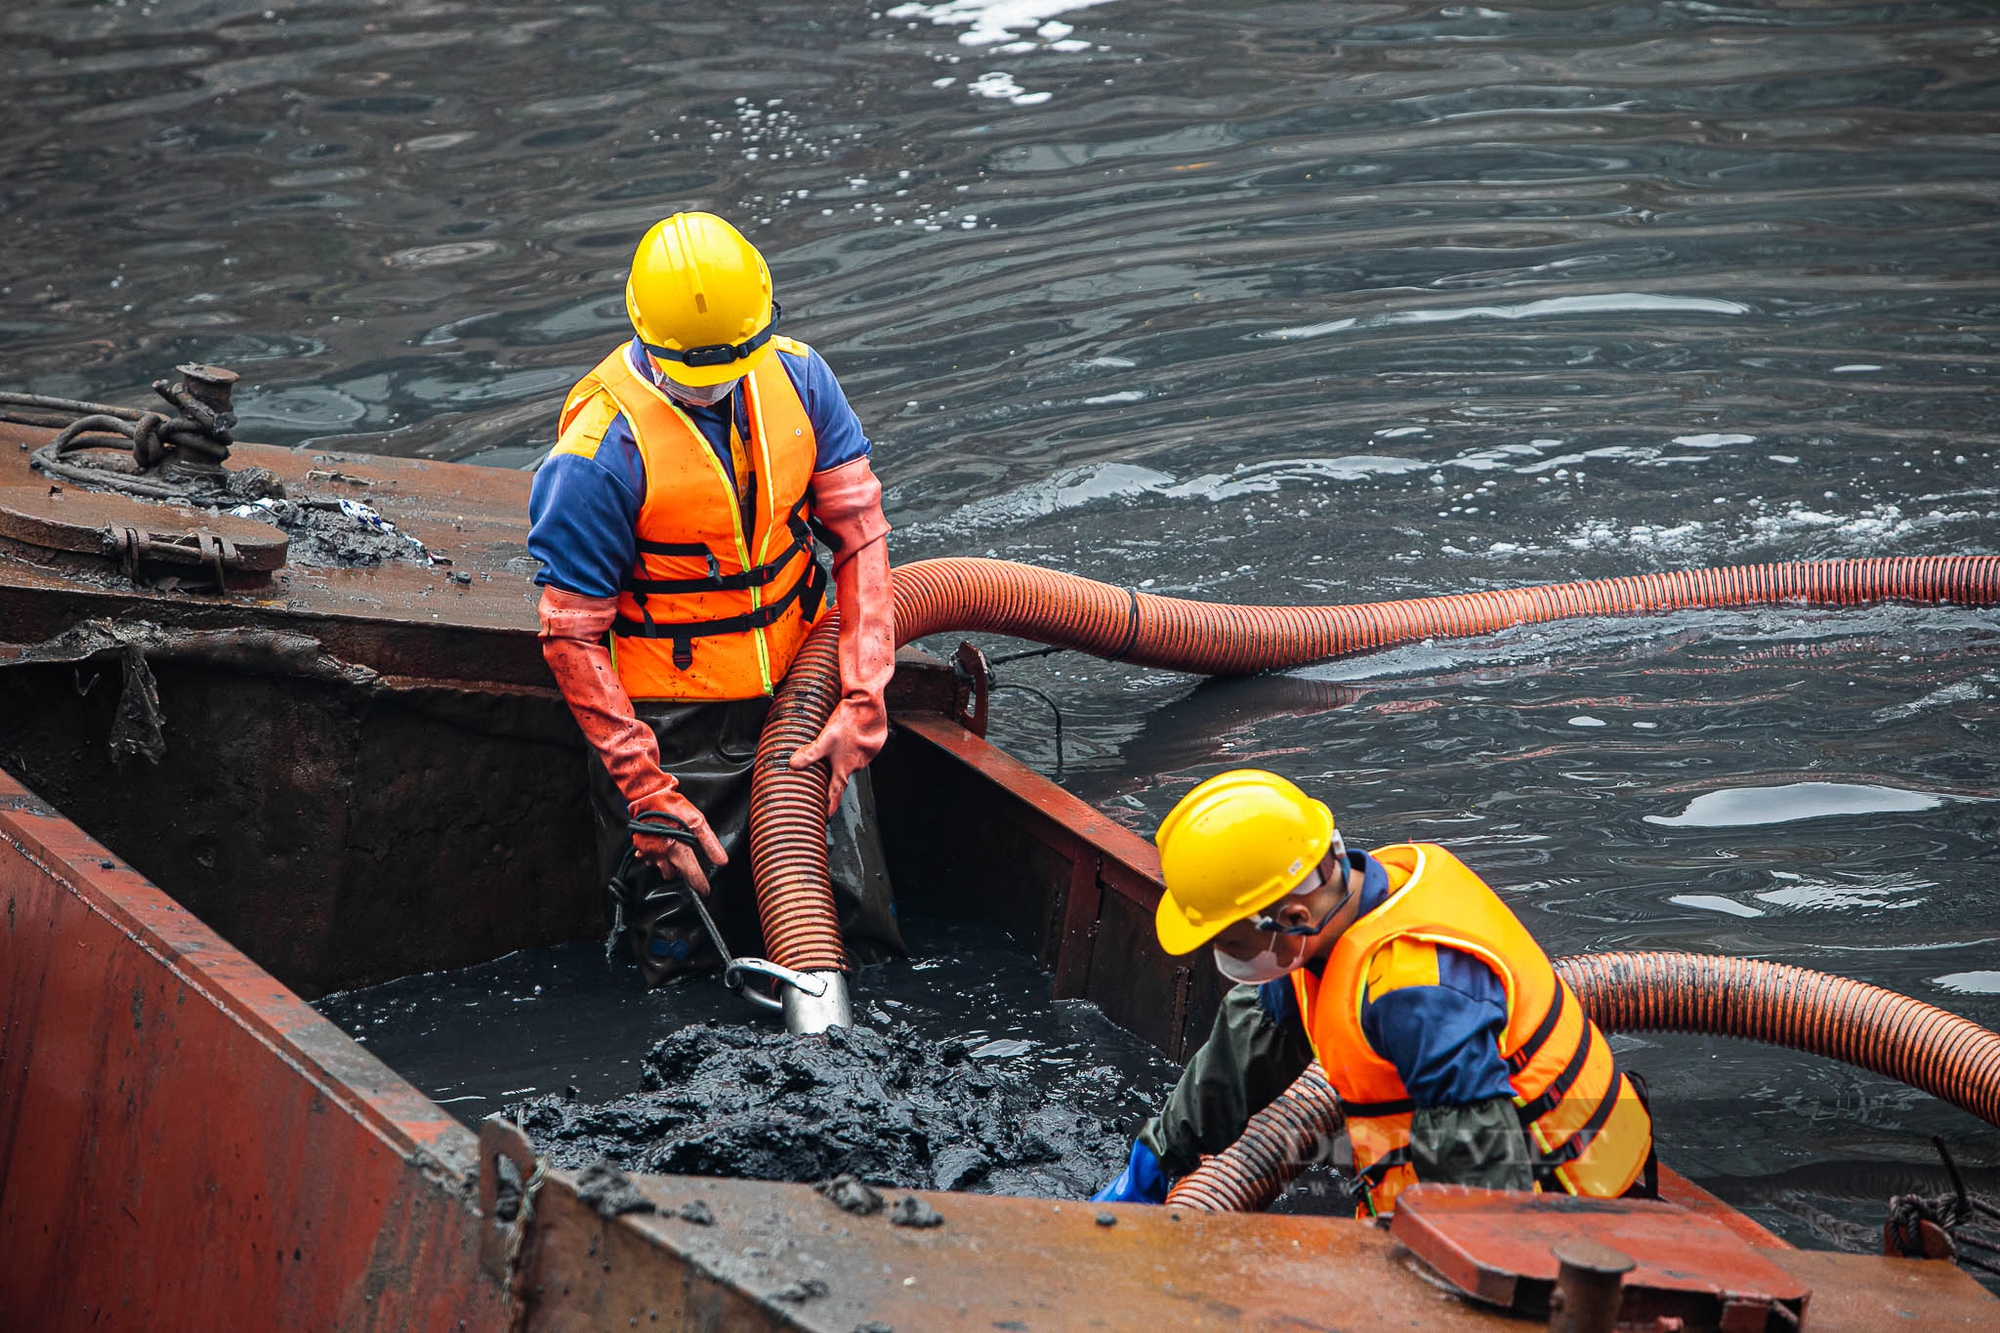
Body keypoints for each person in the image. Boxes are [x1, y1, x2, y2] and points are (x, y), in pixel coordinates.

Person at [528, 211, 902, 993]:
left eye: (729, 363)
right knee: (679, 962)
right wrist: (644, 786)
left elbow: (860, 538)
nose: (711, 384)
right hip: (669, 729)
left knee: (850, 929)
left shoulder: (800, 380)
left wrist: (863, 694)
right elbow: (571, 639)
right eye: (690, 370)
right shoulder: (600, 454)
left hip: (805, 701)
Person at [1095, 769, 1654, 1216]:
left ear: (1291, 917)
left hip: (1567, 1212)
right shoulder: (1333, 918)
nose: (1233, 962)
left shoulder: (1416, 994)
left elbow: (1484, 1184)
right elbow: (1249, 1046)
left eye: (1233, 946)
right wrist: (1150, 1169)